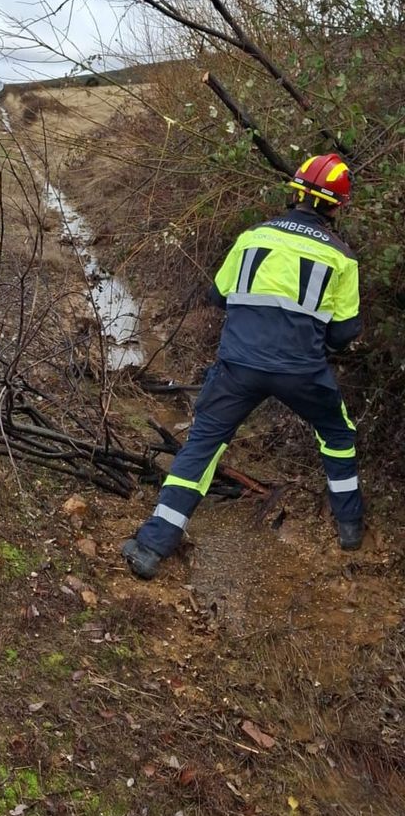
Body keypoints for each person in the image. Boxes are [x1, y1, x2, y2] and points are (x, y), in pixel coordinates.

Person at [122, 153, 362, 580]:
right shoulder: (342, 258)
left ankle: (151, 546)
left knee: (202, 445)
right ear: (337, 206)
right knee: (338, 435)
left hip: (238, 366)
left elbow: (218, 295)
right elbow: (345, 333)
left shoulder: (253, 237)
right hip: (302, 371)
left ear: (295, 193)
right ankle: (351, 529)